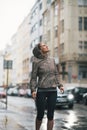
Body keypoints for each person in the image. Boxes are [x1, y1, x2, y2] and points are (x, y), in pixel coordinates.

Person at [30, 42, 64, 130]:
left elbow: (56, 74)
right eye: (44, 45)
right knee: (40, 114)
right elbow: (33, 77)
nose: (47, 46)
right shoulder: (36, 61)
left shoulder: (52, 60)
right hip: (41, 90)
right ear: (40, 49)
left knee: (50, 115)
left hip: (53, 90)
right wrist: (33, 90)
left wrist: (60, 85)